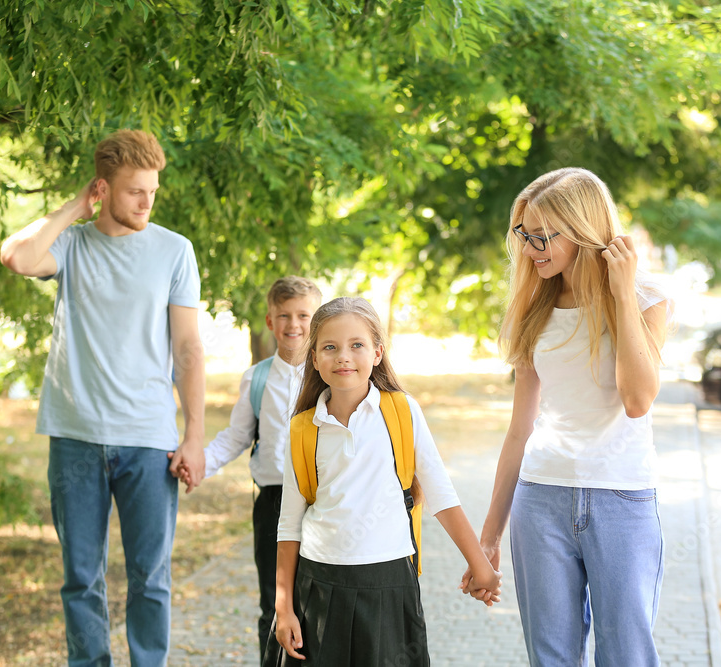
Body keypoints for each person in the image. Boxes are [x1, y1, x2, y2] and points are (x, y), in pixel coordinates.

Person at [0, 129, 206, 667]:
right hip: (75, 437)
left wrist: (195, 436)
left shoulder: (174, 250)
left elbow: (187, 348)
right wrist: (75, 207)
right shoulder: (70, 245)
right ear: (104, 189)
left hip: (148, 440)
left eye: (152, 190)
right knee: (81, 579)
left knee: (150, 579)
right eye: (135, 190)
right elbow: (18, 258)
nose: (146, 201)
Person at [479, 167, 671, 666]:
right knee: (552, 658)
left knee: (626, 655)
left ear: (584, 231)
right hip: (539, 497)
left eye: (544, 237)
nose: (530, 249)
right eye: (524, 235)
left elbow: (637, 400)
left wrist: (622, 293)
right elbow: (520, 429)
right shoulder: (533, 308)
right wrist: (490, 534)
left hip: (621, 497)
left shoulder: (646, 299)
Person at [266, 297, 502, 667]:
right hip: (318, 584)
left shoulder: (402, 411)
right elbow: (289, 523)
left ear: (377, 352)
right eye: (330, 347)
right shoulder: (302, 428)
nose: (343, 356)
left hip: (389, 580)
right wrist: (284, 608)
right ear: (314, 358)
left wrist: (481, 567)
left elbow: (441, 494)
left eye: (356, 345)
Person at [194, 276, 322, 659]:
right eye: (284, 315)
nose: (293, 325)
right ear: (270, 321)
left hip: (321, 504)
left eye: (303, 315)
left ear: (316, 322)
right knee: (275, 601)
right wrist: (199, 464)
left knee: (316, 600)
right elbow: (237, 436)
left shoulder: (328, 376)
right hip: (273, 503)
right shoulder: (257, 378)